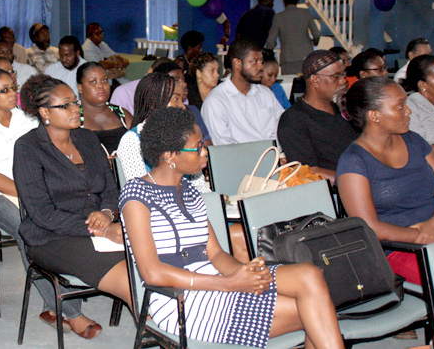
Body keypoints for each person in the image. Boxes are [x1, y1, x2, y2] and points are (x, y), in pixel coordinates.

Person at [121, 106, 344, 348]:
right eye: (197, 148)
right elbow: (152, 272)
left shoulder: (191, 191)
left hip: (217, 281)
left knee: (310, 277)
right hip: (180, 300)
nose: (205, 152)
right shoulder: (136, 195)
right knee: (313, 308)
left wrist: (243, 273)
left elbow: (216, 254)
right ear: (169, 156)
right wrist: (229, 284)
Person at [0, 68, 101, 336]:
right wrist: (29, 191)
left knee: (69, 217)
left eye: (13, 87)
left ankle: (71, 283)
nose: (12, 93)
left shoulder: (27, 119)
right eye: (4, 90)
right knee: (29, 230)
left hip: (38, 189)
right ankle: (68, 311)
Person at [13, 74, 132, 338]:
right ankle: (161, 326)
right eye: (65, 105)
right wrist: (98, 229)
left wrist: (107, 214)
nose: (76, 109)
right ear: (45, 112)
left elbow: (112, 188)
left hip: (101, 224)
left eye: (75, 103)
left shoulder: (87, 138)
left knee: (148, 258)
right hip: (52, 237)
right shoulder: (28, 147)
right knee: (129, 274)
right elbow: (41, 213)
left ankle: (169, 324)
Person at [337, 76, 434, 285]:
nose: (408, 111)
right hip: (398, 250)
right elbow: (370, 227)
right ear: (374, 115)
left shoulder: (414, 141)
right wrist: (424, 235)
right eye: (400, 106)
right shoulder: (353, 162)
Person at [277, 50, 358, 181]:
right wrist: (357, 182)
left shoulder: (344, 108)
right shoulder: (293, 120)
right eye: (336, 76)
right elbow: (309, 173)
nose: (343, 81)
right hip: (337, 190)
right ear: (315, 79)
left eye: (343, 74)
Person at [202, 38, 284, 145]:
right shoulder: (216, 101)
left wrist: (275, 152)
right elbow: (223, 147)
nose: (260, 67)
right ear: (237, 63)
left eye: (261, 61)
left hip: (272, 156)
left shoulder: (265, 93)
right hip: (239, 160)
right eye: (254, 62)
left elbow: (282, 128)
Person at [76, 62, 133, 154]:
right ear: (80, 88)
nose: (100, 86)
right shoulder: (72, 116)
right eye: (93, 82)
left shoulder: (122, 114)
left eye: (104, 80)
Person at [152, 62, 212, 147]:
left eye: (183, 79)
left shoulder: (192, 110)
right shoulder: (155, 119)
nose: (184, 84)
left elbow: (207, 146)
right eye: (176, 80)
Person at [265, 0, 321, 75]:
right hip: (306, 56)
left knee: (290, 85)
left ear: (284, 0)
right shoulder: (306, 13)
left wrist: (267, 55)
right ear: (298, 0)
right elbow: (316, 34)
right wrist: (315, 42)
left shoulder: (279, 17)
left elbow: (271, 40)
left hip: (288, 58)